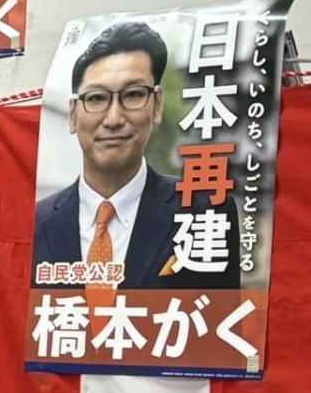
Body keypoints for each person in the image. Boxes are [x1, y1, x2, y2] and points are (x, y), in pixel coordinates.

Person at [32, 20, 238, 292]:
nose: (113, 119)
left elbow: (220, 315)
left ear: (157, 105)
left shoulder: (205, 210)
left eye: (133, 95)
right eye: (96, 98)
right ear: (72, 114)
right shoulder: (35, 223)